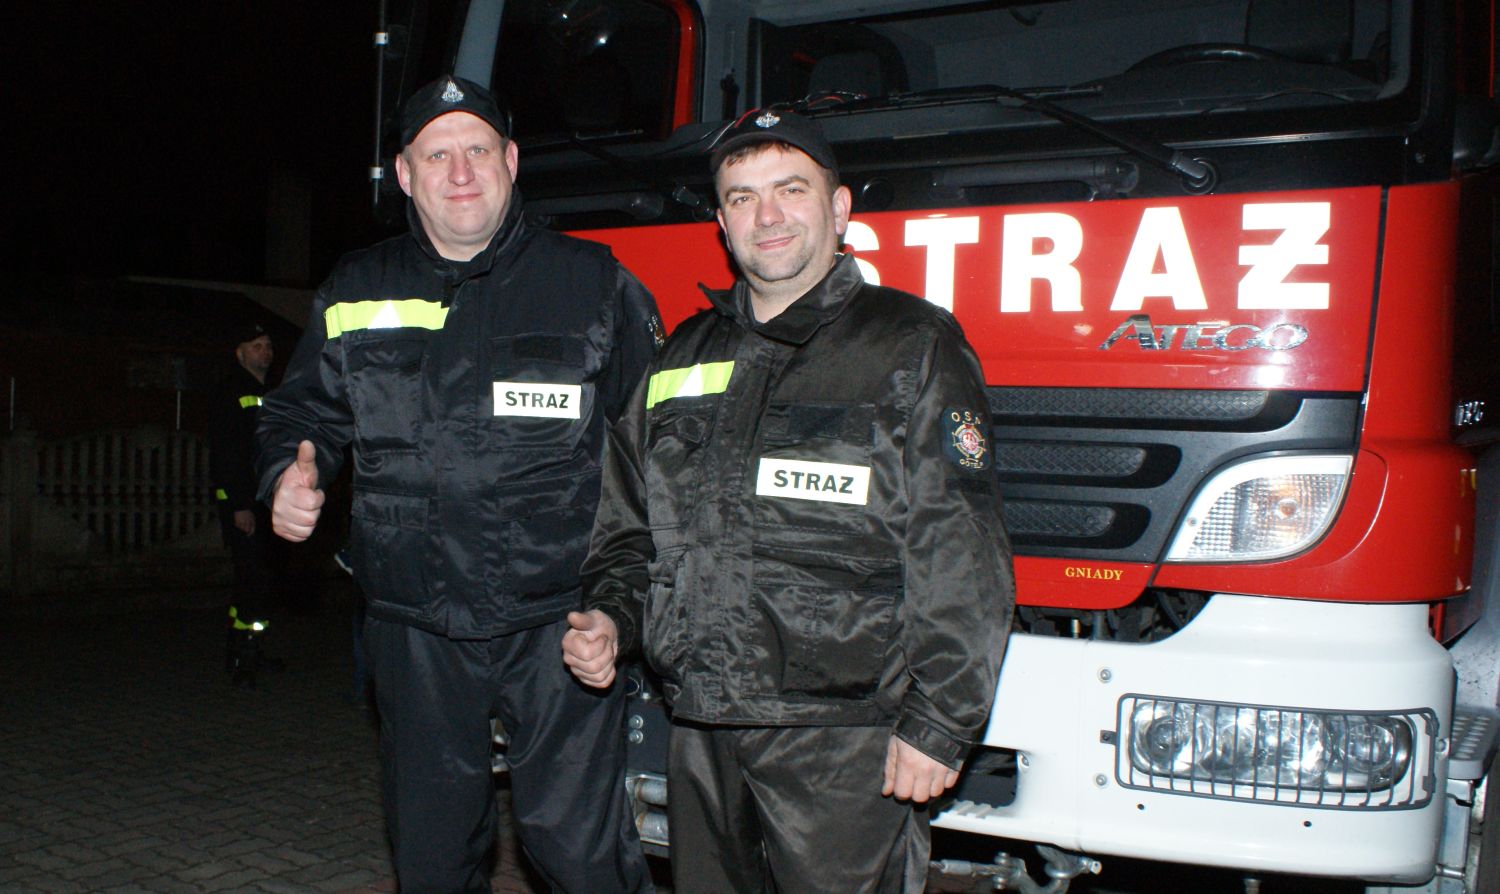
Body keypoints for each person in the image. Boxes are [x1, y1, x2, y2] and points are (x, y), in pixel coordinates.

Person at [564, 108, 1015, 893]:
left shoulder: (909, 344)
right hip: (702, 727)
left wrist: (940, 723)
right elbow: (629, 528)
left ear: (839, 209)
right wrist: (611, 617)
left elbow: (959, 547)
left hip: (843, 741)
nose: (766, 215)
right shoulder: (681, 355)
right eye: (742, 197)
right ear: (721, 223)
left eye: (790, 189)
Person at [256, 75, 659, 893]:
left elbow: (654, 449)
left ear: (511, 161)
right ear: (406, 175)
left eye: (478, 149)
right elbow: (302, 413)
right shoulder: (356, 286)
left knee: (579, 857)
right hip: (415, 625)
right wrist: (285, 478)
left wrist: (625, 607)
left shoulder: (593, 281)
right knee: (432, 859)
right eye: (437, 155)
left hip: (559, 623)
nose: (461, 171)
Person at [209, 321, 277, 687]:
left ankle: (253, 647)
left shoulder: (268, 392)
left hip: (263, 500)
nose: (264, 352)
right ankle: (240, 656)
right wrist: (239, 505)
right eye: (256, 346)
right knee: (250, 578)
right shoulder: (231, 391)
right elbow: (228, 452)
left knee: (260, 579)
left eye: (267, 345)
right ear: (240, 353)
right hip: (243, 503)